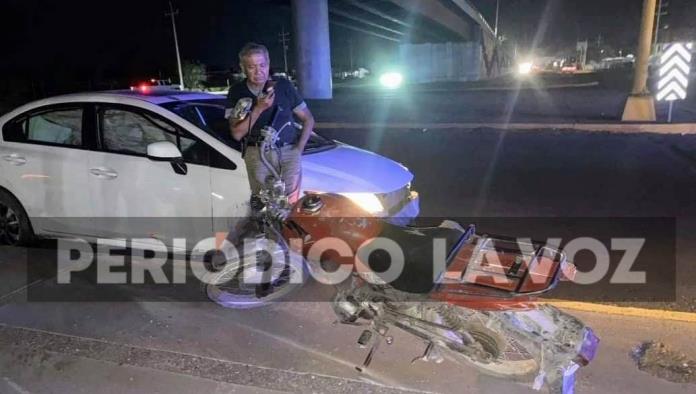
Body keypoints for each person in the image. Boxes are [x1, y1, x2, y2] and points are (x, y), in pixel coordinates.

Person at [226, 42, 314, 205]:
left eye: (262, 65)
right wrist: (259, 108)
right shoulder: (237, 92)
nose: (259, 71)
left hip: (288, 151)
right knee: (264, 204)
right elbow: (237, 134)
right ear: (243, 68)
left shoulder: (284, 86)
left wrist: (298, 150)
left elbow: (308, 119)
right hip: (257, 153)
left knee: (290, 204)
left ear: (268, 64)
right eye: (251, 67)